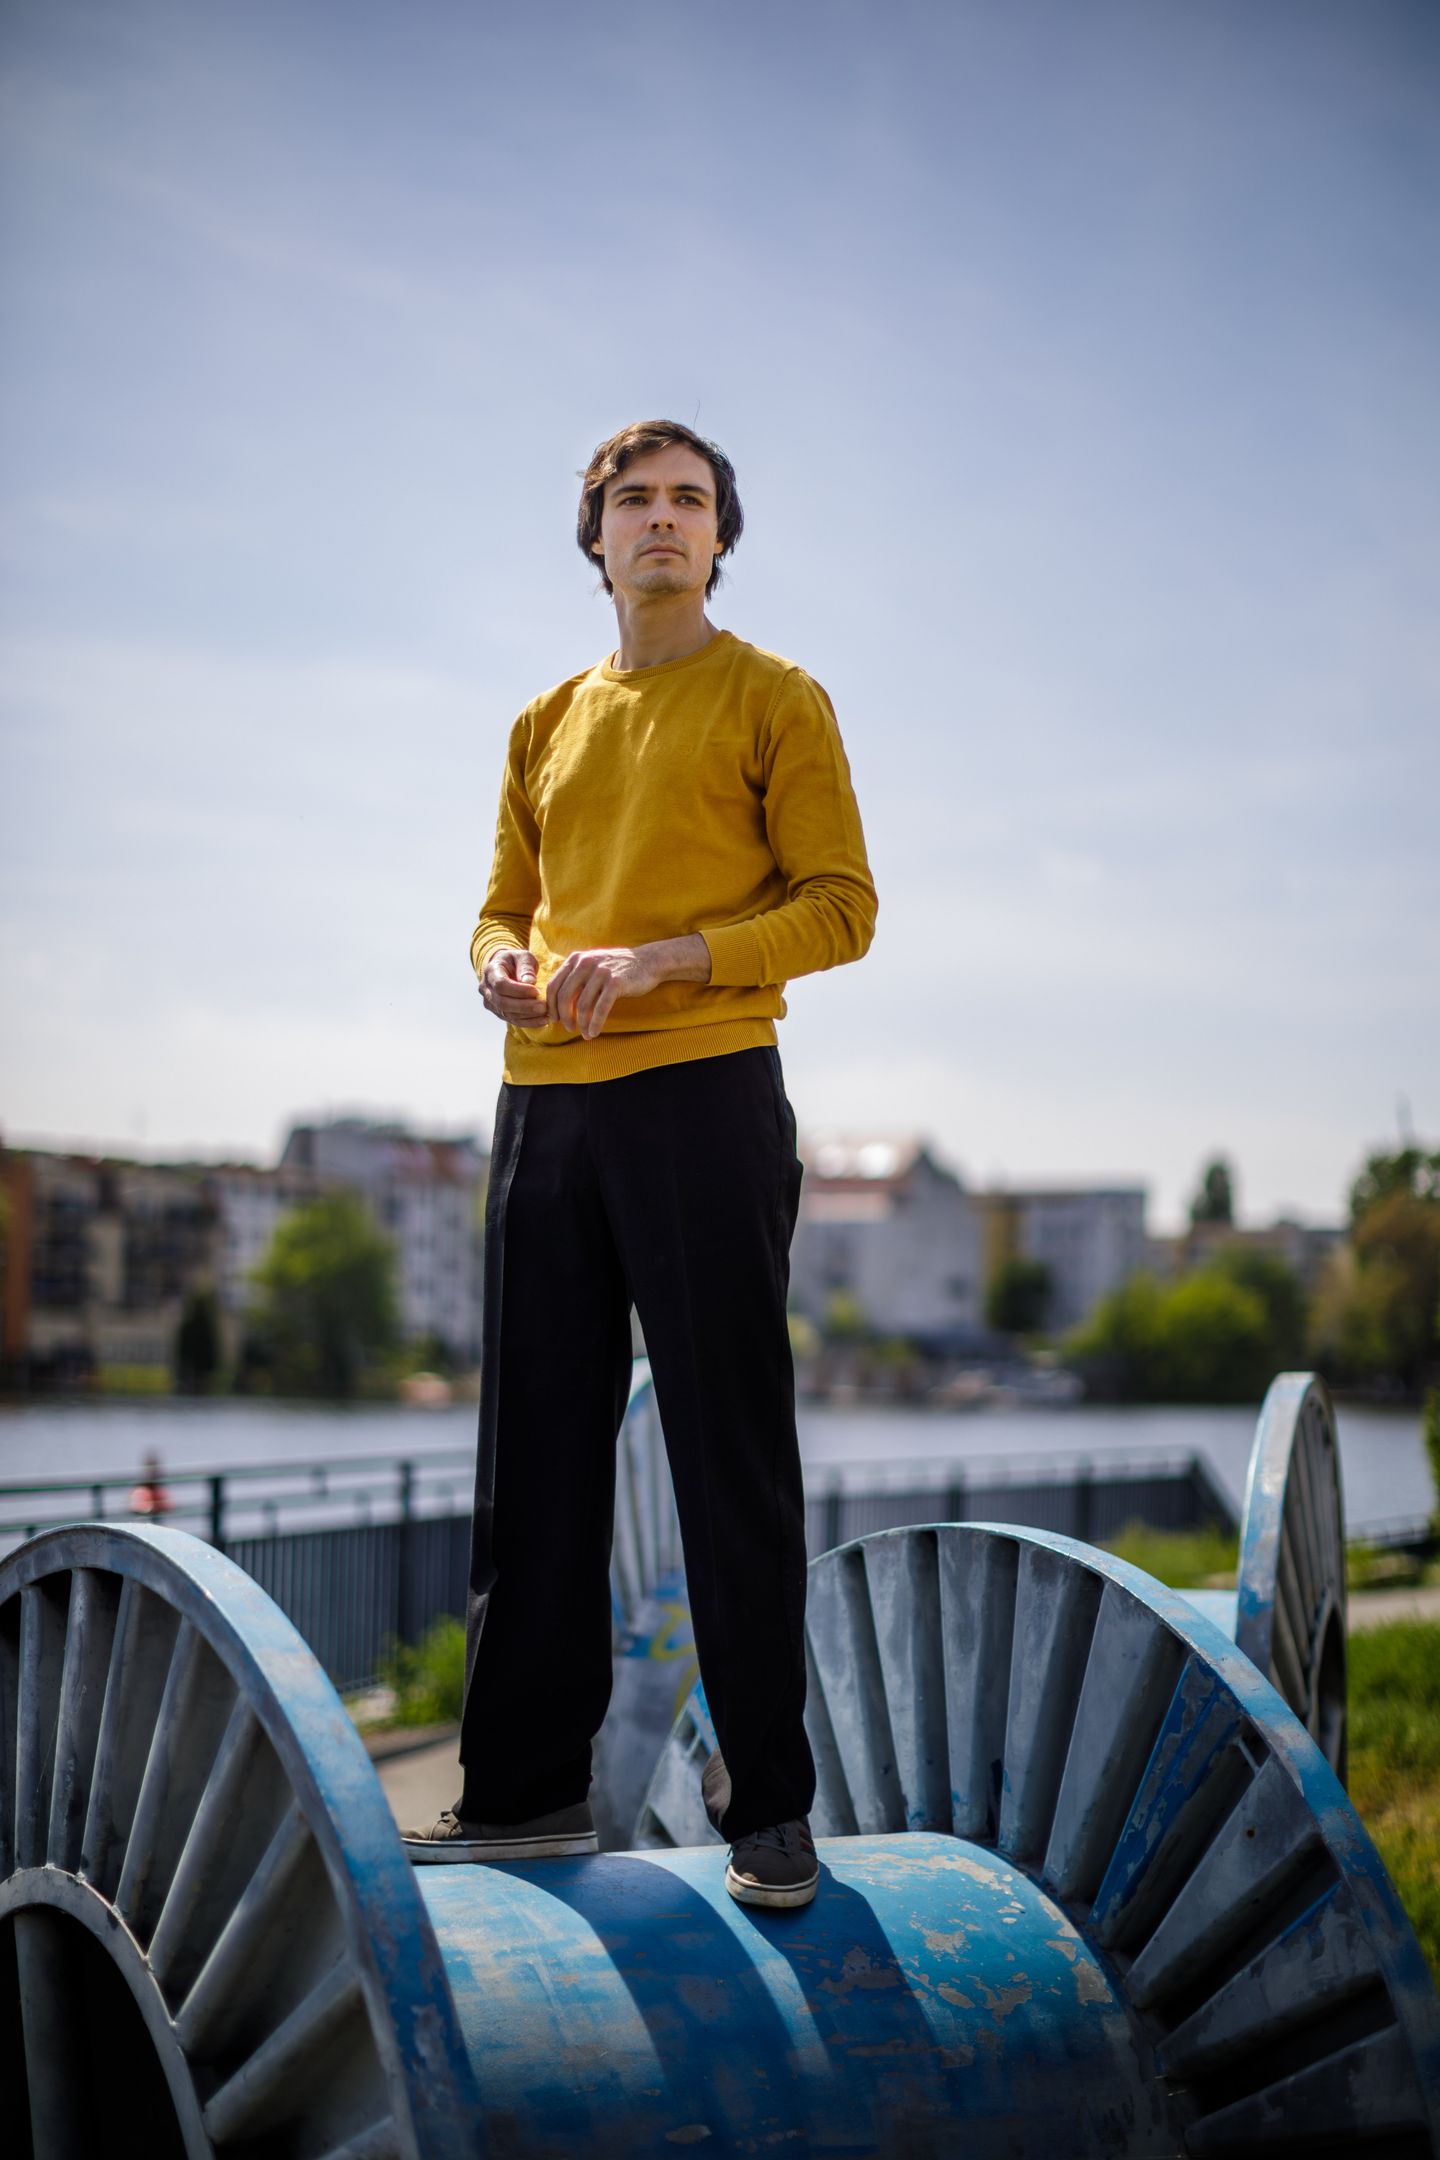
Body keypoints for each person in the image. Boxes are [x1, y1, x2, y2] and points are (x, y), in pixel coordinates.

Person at [402, 419, 876, 1907]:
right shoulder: (544, 721)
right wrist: (495, 964)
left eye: (688, 500)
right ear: (594, 537)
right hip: (543, 1107)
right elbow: (500, 907)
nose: (661, 519)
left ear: (719, 538)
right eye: (633, 500)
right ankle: (523, 1795)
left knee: (727, 1452)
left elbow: (843, 907)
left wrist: (673, 956)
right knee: (533, 1462)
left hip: (706, 1095)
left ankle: (769, 1807)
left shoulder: (776, 697)